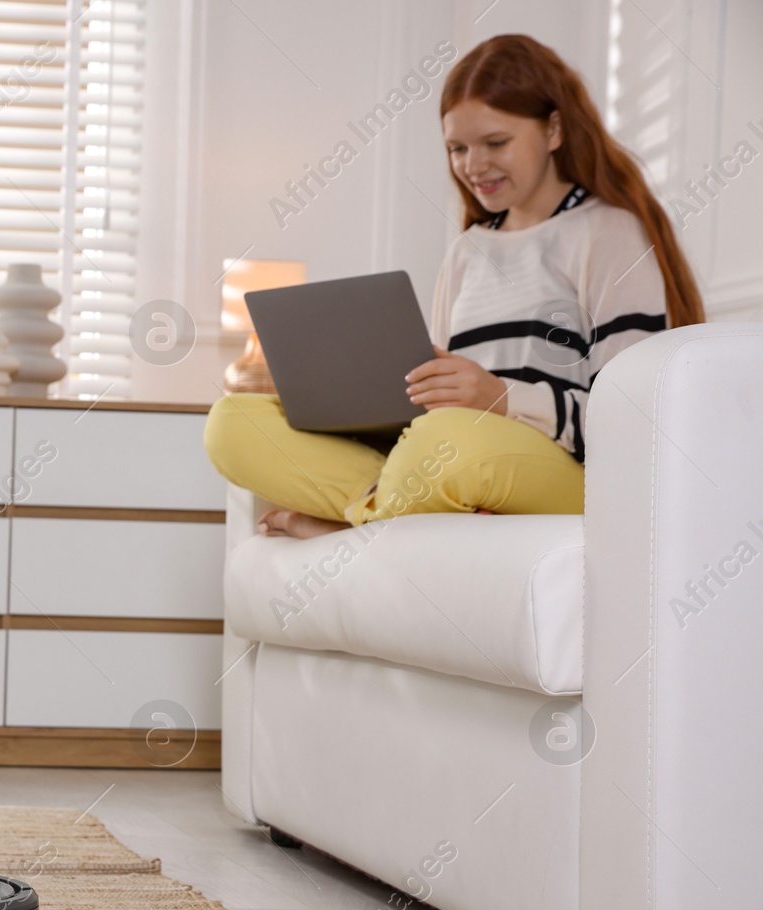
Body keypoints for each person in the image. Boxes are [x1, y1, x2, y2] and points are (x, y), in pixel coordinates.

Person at [203, 34, 704, 539]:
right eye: (457, 148)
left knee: (445, 441)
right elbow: (433, 400)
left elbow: (632, 412)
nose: (473, 165)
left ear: (554, 129)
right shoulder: (467, 251)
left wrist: (501, 398)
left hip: (559, 469)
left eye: (496, 142)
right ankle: (381, 512)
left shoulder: (609, 232)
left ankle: (347, 530)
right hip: (452, 450)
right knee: (233, 422)